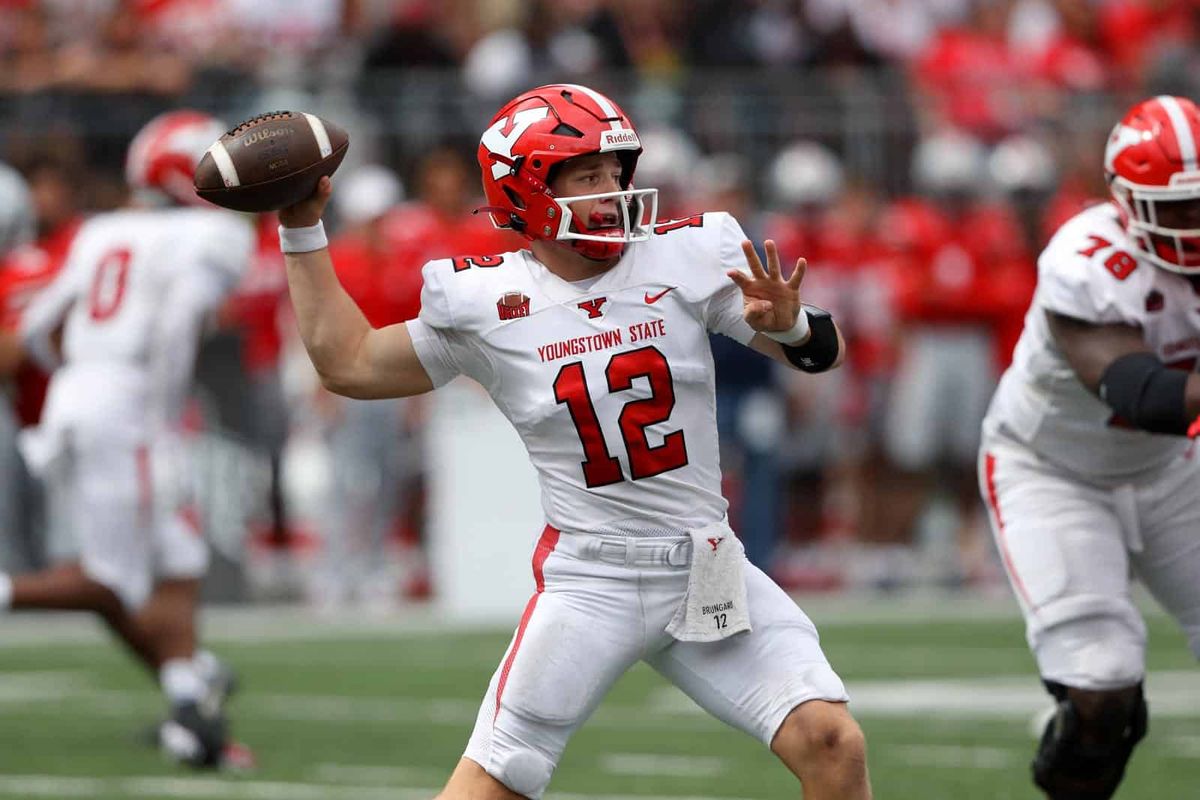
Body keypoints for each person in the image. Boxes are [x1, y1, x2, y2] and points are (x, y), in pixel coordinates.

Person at [279, 83, 871, 799]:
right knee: (499, 778)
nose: (614, 190)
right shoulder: (488, 303)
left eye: (616, 171)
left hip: (705, 563)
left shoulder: (683, 258)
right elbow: (347, 362)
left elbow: (821, 354)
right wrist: (302, 229)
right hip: (592, 582)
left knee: (833, 743)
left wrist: (790, 326)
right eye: (587, 175)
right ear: (527, 191)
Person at [0, 110, 254, 770]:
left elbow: (36, 329)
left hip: (81, 393)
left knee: (180, 554)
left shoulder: (103, 228)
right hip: (134, 405)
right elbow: (175, 326)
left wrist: (75, 385)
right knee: (108, 577)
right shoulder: (214, 233)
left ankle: (191, 704)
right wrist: (160, 413)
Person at [978, 95, 1200, 800]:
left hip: (1174, 470)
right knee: (1102, 693)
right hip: (1054, 470)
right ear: (1126, 202)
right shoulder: (1085, 258)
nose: (1195, 223)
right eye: (1179, 207)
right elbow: (1142, 394)